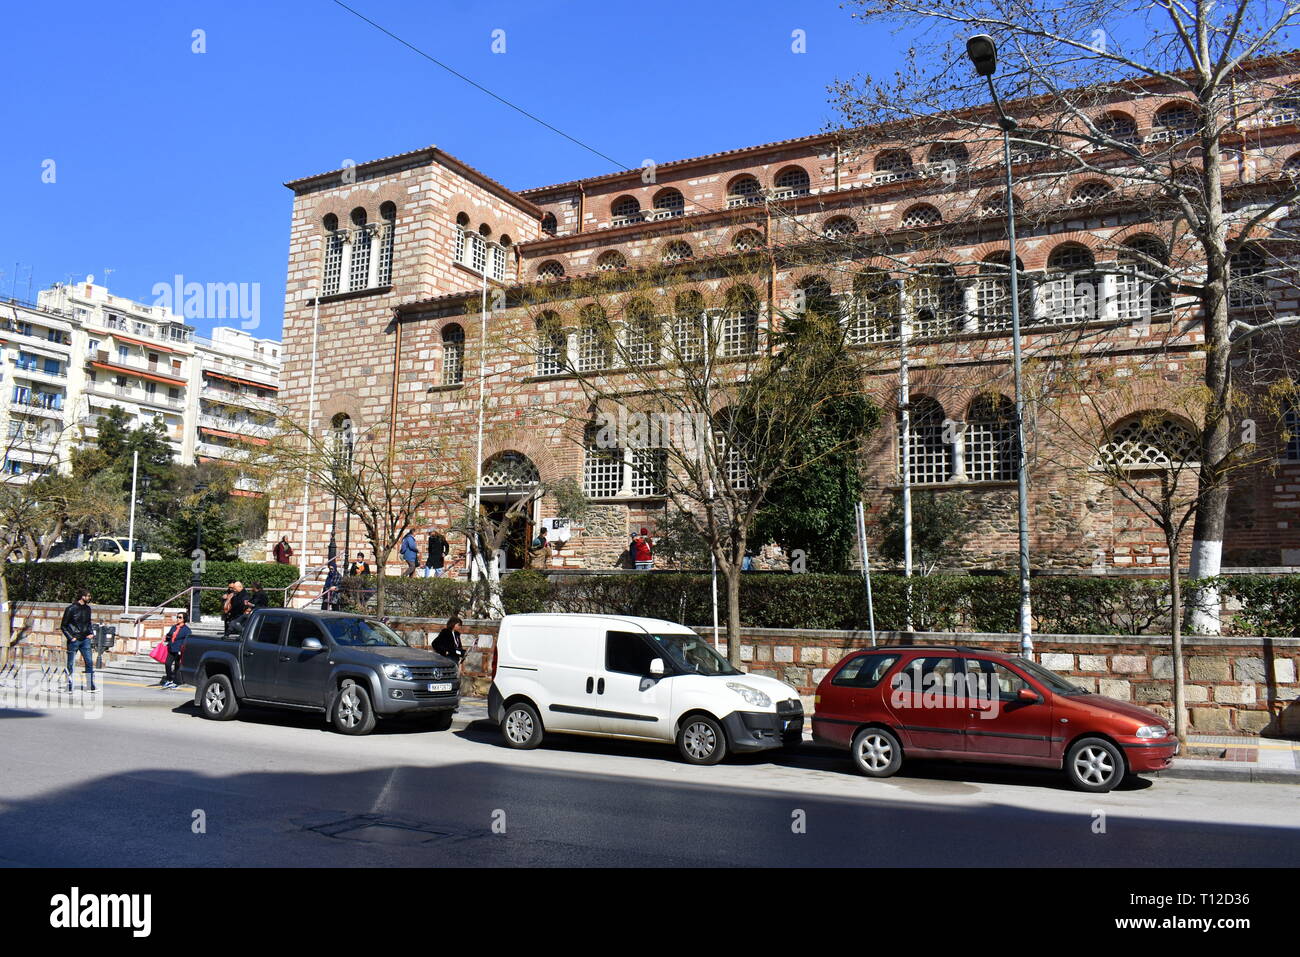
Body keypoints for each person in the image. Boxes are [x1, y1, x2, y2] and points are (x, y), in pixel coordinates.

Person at [60, 588, 96, 693]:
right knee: (71, 663)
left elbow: (88, 623)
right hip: (74, 640)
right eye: (88, 596)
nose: (89, 598)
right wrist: (71, 637)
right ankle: (69, 685)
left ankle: (90, 685)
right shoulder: (71, 609)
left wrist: (90, 633)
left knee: (89, 662)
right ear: (82, 597)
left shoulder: (88, 609)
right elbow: (63, 626)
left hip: (85, 639)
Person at [161, 611, 191, 689]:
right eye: (177, 617)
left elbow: (187, 640)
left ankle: (176, 682)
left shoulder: (187, 630)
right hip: (171, 648)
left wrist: (182, 649)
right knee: (168, 663)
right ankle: (169, 679)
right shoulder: (174, 627)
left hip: (179, 650)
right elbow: (169, 635)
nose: (178, 619)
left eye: (180, 617)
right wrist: (166, 637)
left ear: (184, 619)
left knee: (177, 666)